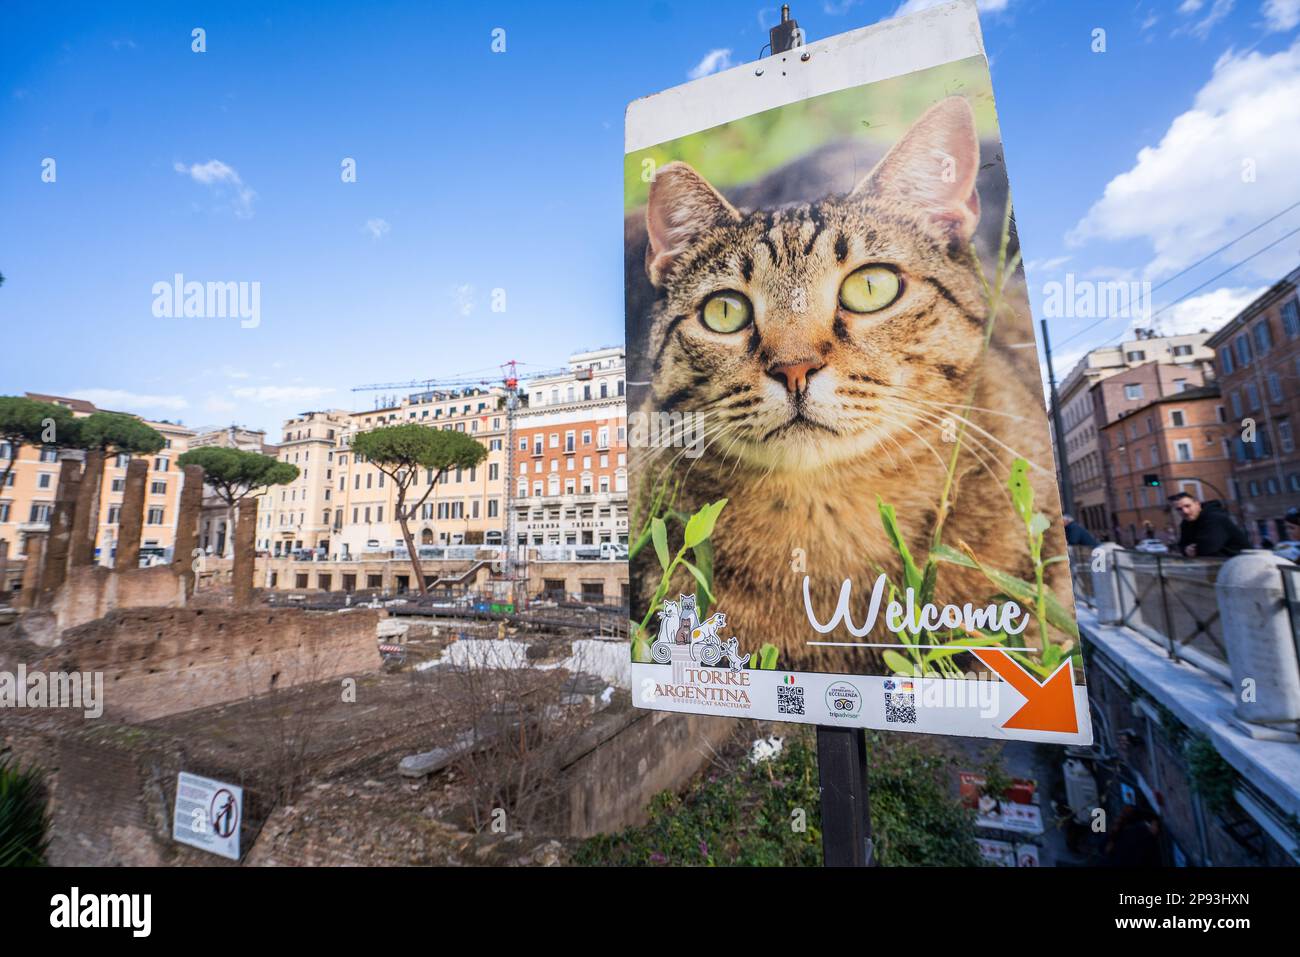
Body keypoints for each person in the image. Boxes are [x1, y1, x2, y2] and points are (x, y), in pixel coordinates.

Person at [1168, 492, 1249, 558]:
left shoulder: (1214, 517)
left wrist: (1191, 549)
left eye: (1188, 506)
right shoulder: (1186, 522)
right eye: (1179, 509)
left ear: (1197, 504)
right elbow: (1182, 544)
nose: (1185, 511)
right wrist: (1185, 550)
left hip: (1242, 564)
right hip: (1219, 566)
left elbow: (1208, 548)